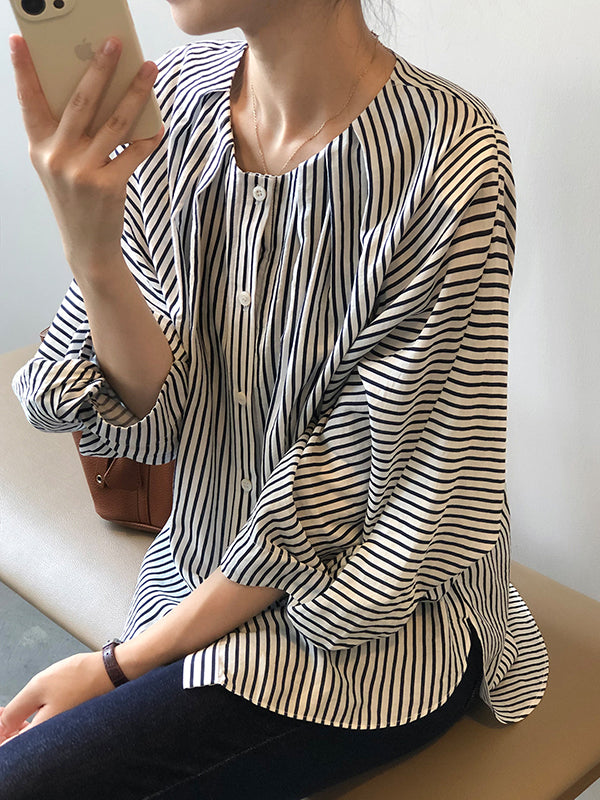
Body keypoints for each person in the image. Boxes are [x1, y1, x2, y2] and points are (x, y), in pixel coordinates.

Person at [0, 0, 549, 797]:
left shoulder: (450, 161)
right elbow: (159, 415)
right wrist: (94, 258)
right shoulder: (174, 101)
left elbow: (353, 498)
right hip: (198, 575)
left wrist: (120, 667)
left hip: (366, 628)